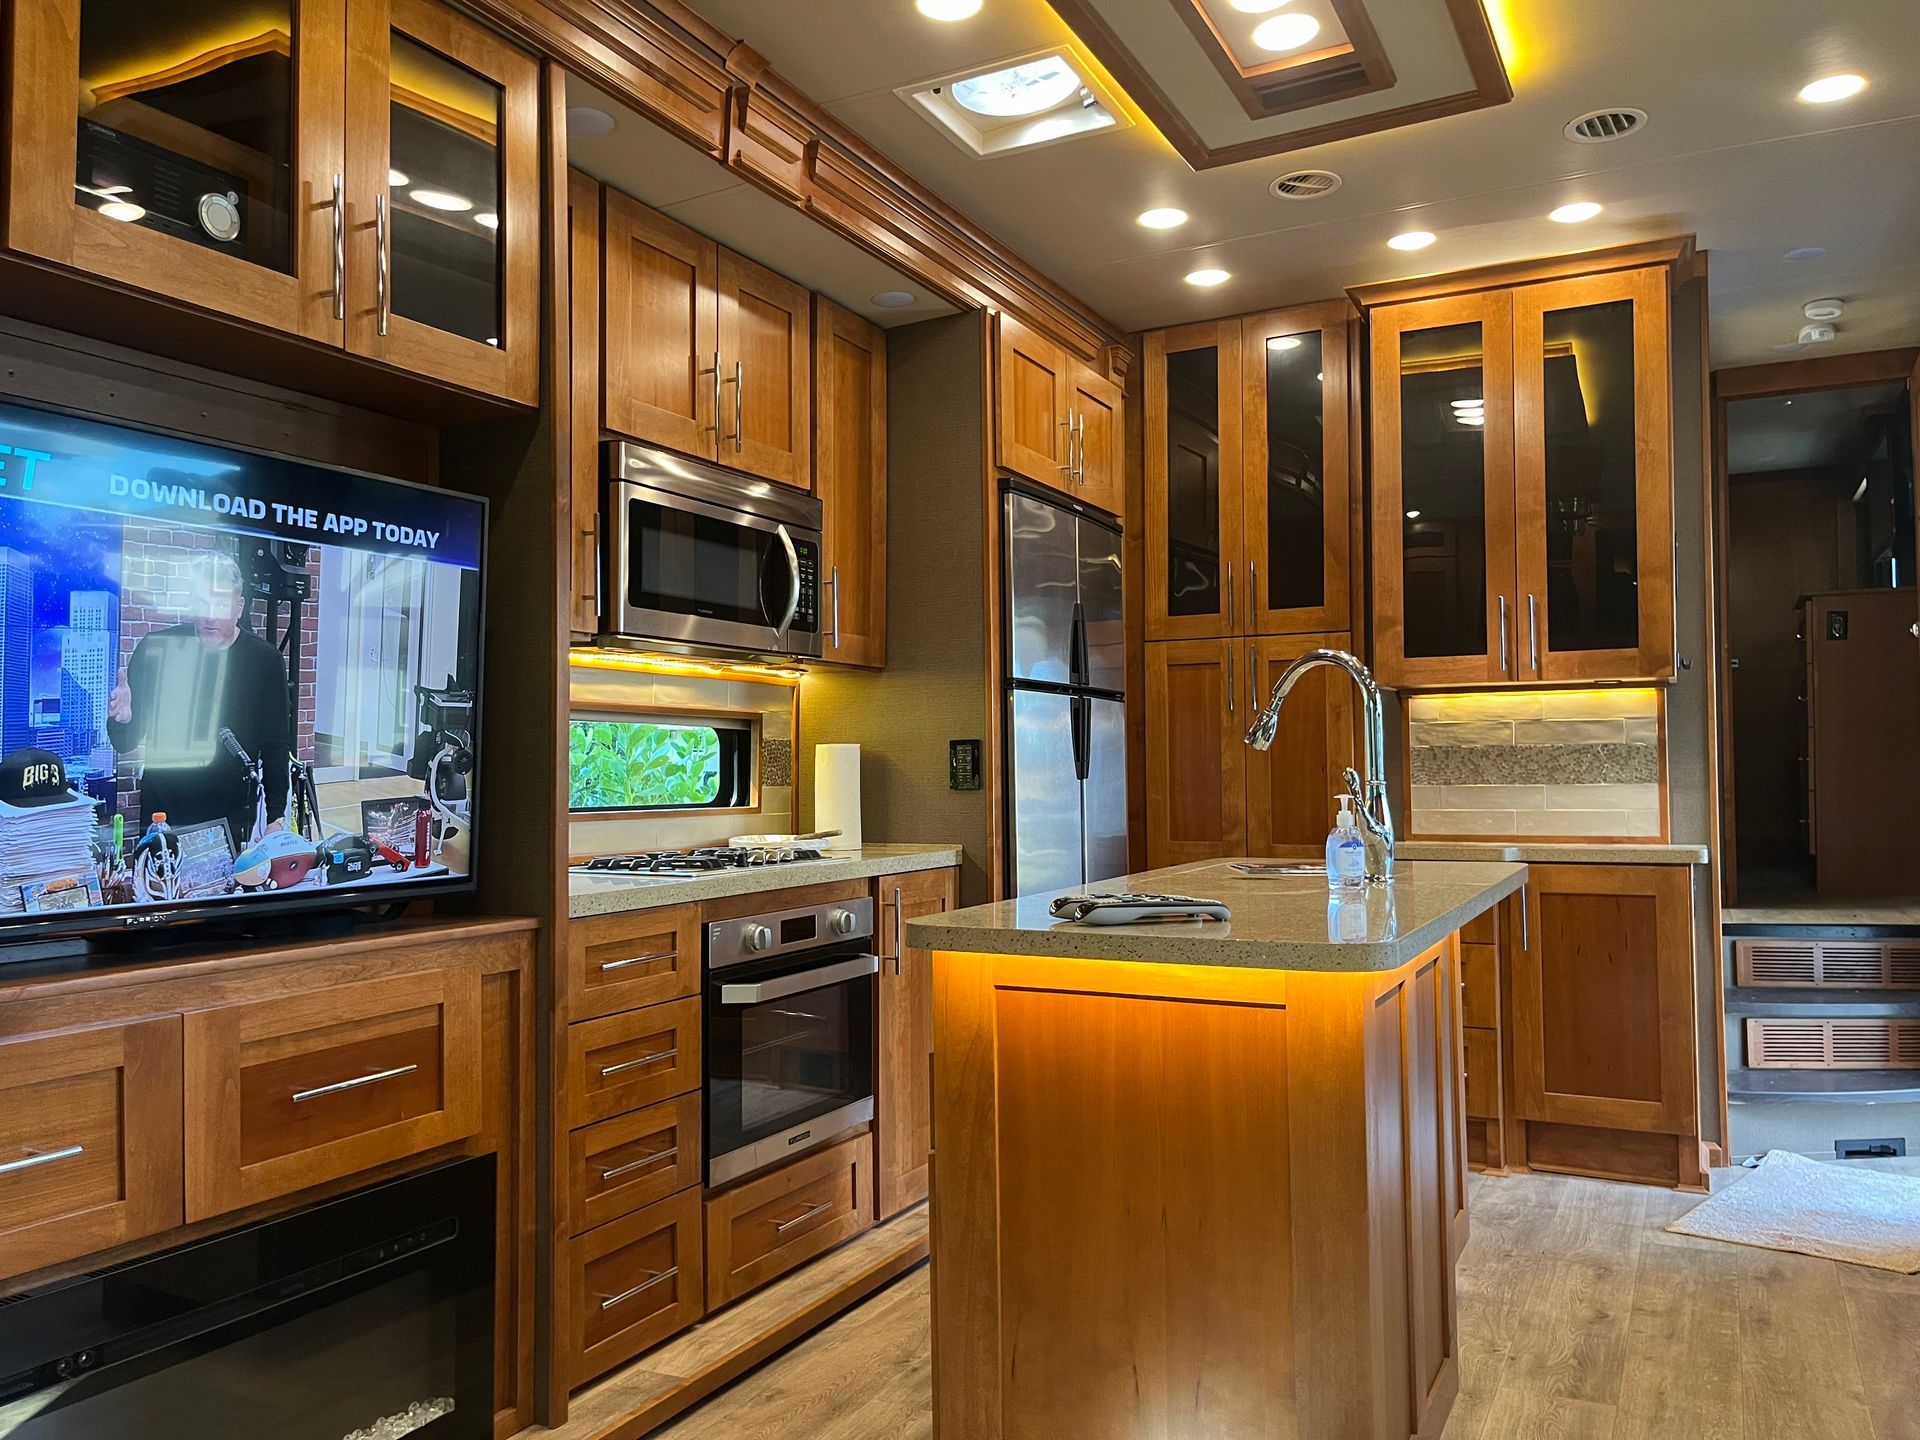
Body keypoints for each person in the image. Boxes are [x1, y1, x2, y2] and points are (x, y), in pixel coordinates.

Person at [107, 551, 290, 849]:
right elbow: (125, 743)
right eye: (202, 602)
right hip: (163, 813)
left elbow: (275, 745)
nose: (209, 615)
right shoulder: (156, 650)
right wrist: (123, 719)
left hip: (231, 814)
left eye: (220, 603)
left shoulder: (264, 660)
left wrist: (276, 818)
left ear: (239, 607)